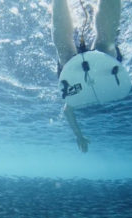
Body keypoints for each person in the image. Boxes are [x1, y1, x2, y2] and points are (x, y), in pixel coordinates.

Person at [52, 0, 122, 153]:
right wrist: (79, 136)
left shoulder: (76, 99)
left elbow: (67, 110)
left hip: (72, 72)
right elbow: (67, 110)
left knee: (64, 53)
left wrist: (79, 136)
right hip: (103, 66)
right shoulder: (94, 96)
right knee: (105, 45)